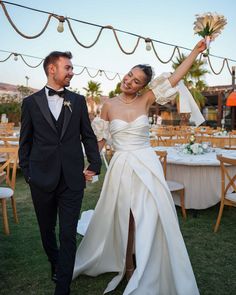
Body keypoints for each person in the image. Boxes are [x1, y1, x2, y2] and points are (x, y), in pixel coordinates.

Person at [73, 40, 206, 295]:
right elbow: (100, 140)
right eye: (129, 75)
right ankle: (129, 264)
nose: (129, 81)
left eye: (136, 81)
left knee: (151, 214)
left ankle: (146, 266)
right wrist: (91, 166)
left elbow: (177, 77)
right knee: (127, 215)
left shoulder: (146, 100)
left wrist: (195, 52)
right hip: (122, 166)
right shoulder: (109, 105)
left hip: (147, 165)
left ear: (143, 86)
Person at [18, 51, 102, 295]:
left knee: (67, 233)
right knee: (47, 232)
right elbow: (25, 142)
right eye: (68, 67)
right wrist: (29, 173)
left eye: (72, 68)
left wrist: (94, 164)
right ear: (52, 69)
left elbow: (88, 135)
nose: (72, 72)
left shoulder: (77, 100)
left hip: (72, 179)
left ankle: (62, 286)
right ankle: (55, 263)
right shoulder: (30, 103)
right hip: (40, 179)